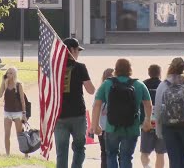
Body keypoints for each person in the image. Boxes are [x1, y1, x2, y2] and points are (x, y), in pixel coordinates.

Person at [92, 58, 153, 168]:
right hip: (132, 127)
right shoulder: (139, 84)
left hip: (111, 126)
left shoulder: (107, 84)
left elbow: (97, 104)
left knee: (111, 155)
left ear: (116, 69)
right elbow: (148, 104)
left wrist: (95, 125)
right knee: (126, 157)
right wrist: (147, 120)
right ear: (130, 69)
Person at [54, 38, 95, 168]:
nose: (78, 53)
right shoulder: (80, 67)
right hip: (77, 114)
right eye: (78, 50)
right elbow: (90, 90)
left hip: (59, 115)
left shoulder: (55, 67)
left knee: (61, 151)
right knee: (79, 148)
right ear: (71, 50)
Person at [140, 64, 166, 168]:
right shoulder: (164, 85)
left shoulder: (143, 85)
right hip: (161, 123)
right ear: (160, 73)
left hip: (147, 122)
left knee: (144, 152)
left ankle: (147, 166)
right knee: (160, 153)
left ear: (149, 73)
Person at [0, 67, 28, 157]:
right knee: (7, 134)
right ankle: (7, 154)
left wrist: (24, 114)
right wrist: (3, 83)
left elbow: (23, 101)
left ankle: (26, 153)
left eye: (10, 73)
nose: (8, 75)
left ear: (14, 74)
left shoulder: (19, 85)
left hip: (17, 112)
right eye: (7, 73)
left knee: (20, 134)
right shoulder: (5, 84)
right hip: (7, 112)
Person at [93, 68, 114, 168]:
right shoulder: (117, 90)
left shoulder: (100, 90)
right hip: (114, 127)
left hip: (102, 128)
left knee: (104, 153)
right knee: (115, 154)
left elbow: (95, 108)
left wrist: (94, 125)